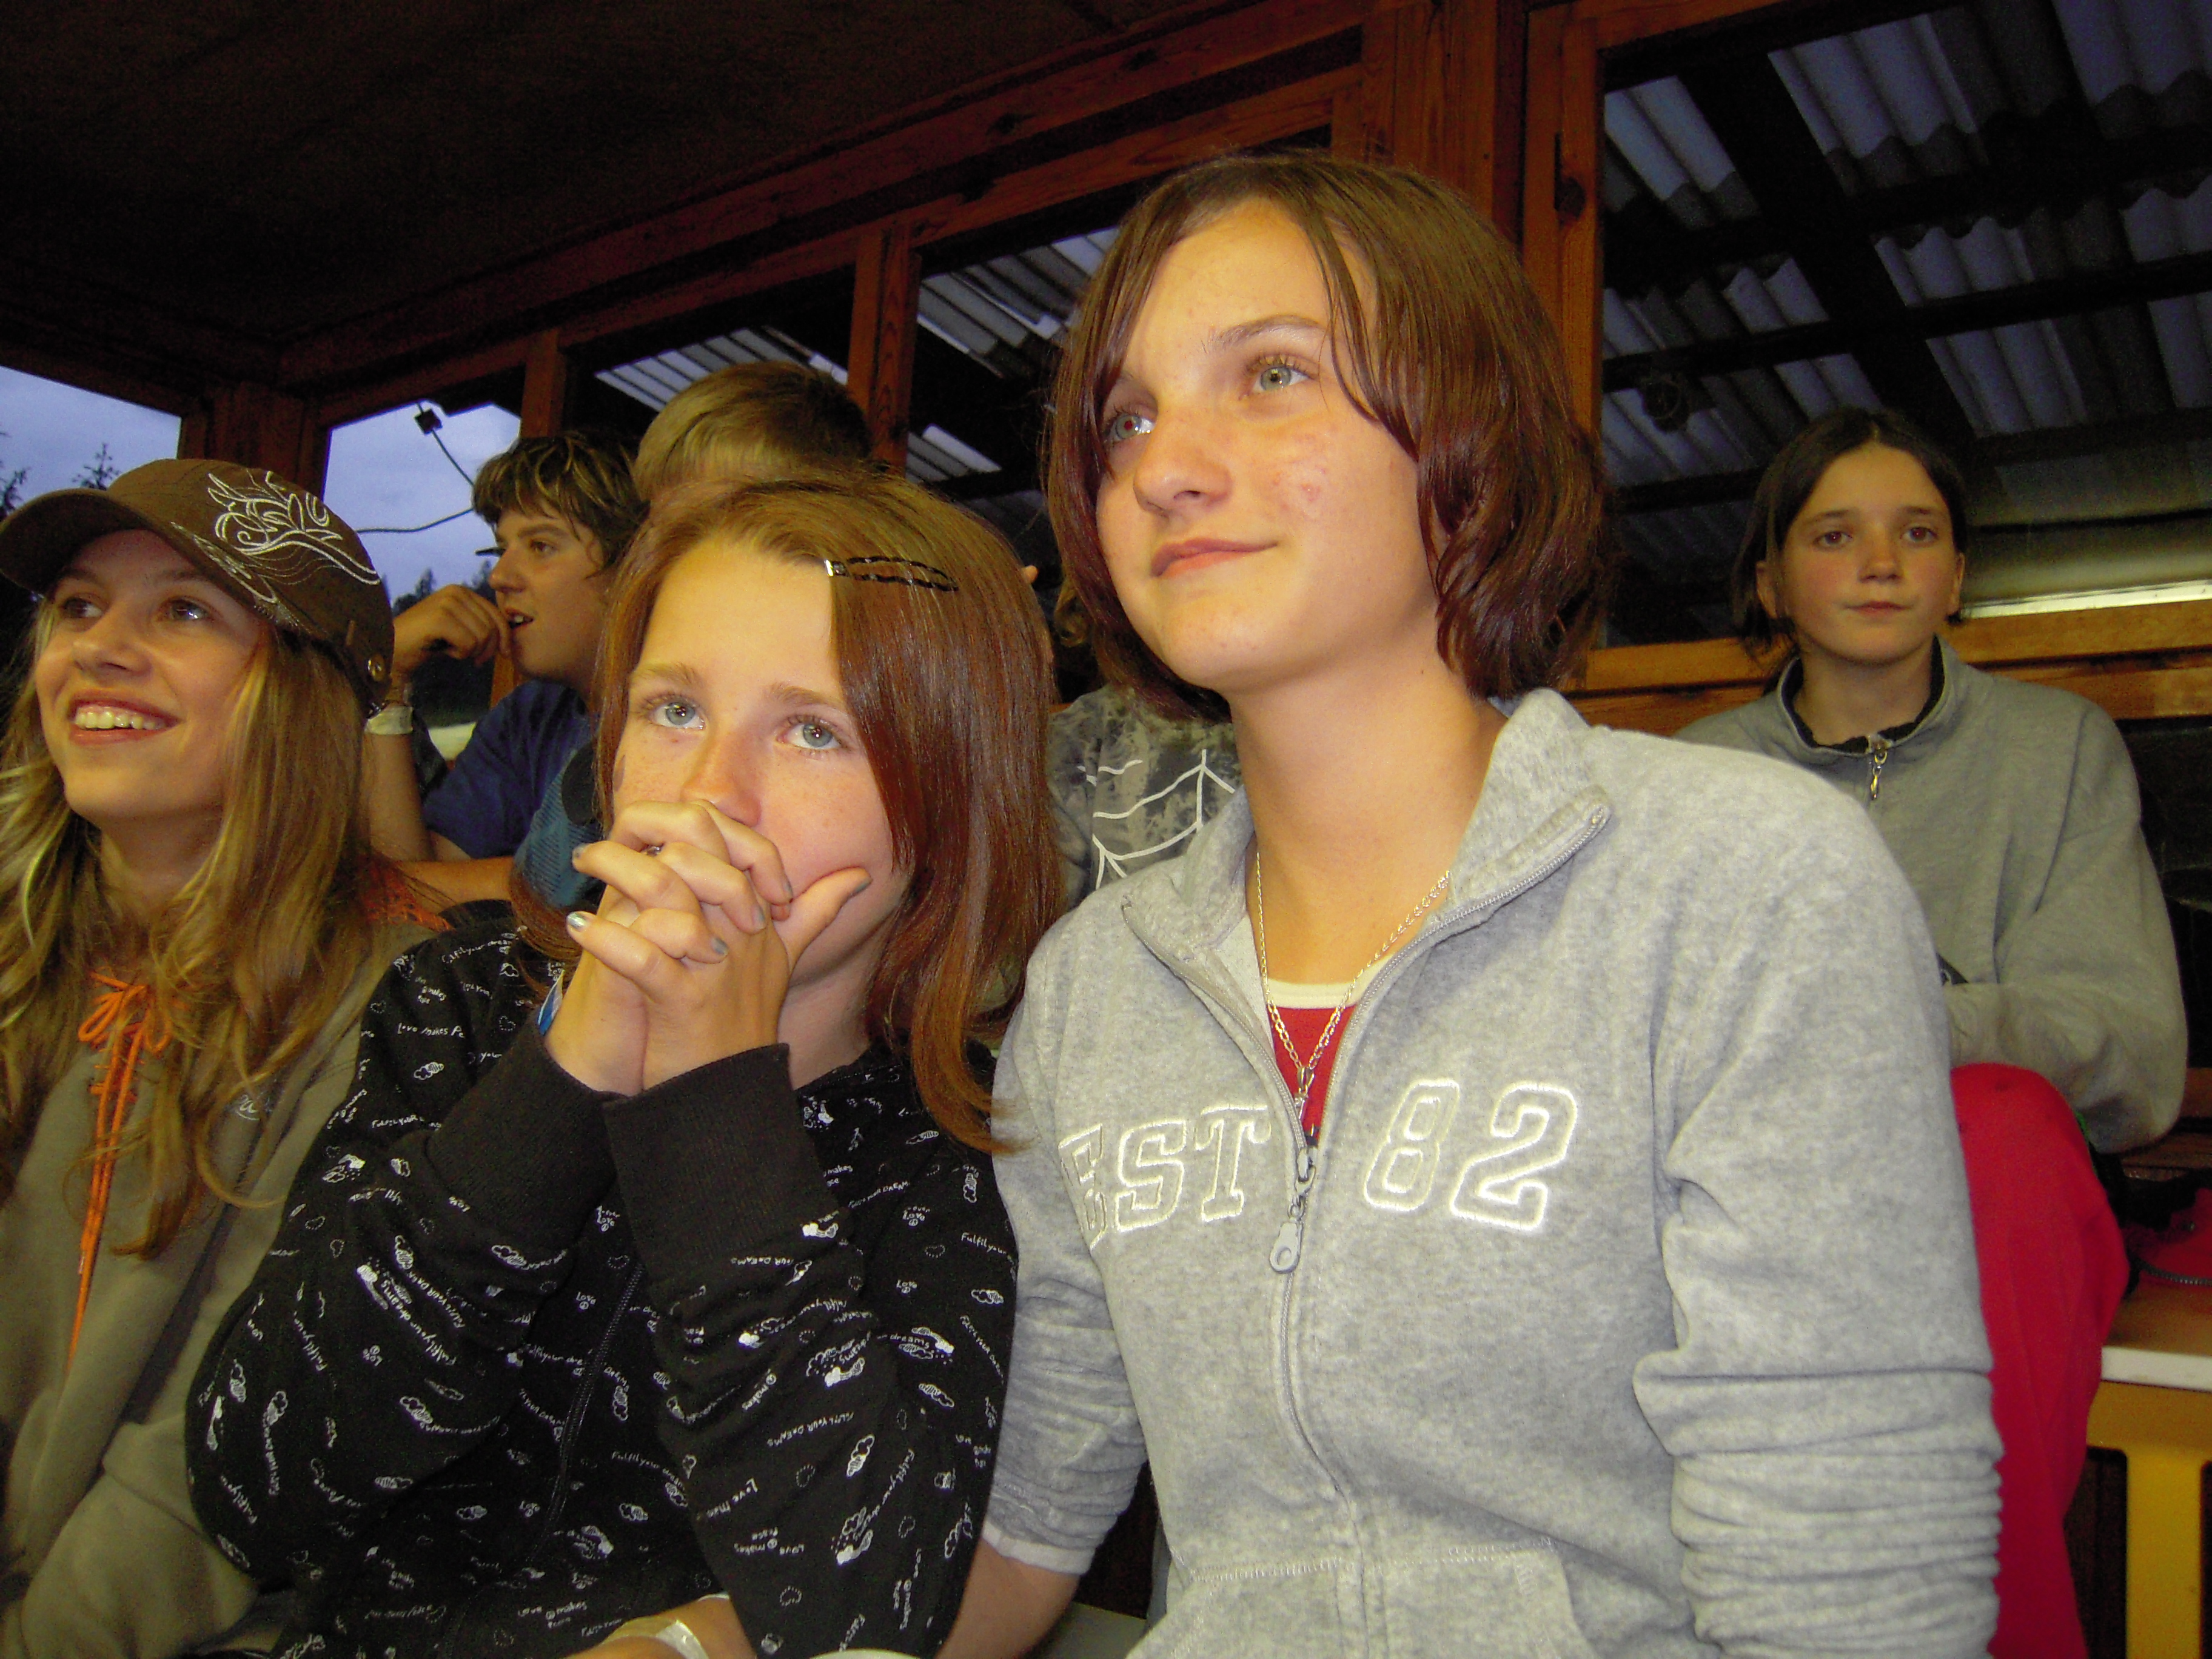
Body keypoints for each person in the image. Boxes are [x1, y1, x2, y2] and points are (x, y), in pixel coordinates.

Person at [943, 152, 2002, 1658]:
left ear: (1472, 440)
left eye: (1274, 374)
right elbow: (1030, 1514)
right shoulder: (1093, 988)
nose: (1165, 464)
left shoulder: (1745, 885)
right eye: (1126, 418)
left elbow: (1847, 1582)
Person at [188, 472, 1062, 1658]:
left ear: (953, 801)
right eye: (674, 710)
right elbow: (253, 1491)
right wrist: (564, 1071)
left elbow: (864, 1612)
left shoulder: (963, 1147)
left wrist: (718, 1110)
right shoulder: (456, 1013)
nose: (708, 796)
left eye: (815, 730)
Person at [1677, 406, 2186, 1659]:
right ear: (1770, 581)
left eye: (1916, 534)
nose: (1880, 563)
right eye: (1833, 536)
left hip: (1990, 1209)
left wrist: (1868, 1015)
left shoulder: (2057, 749)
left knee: (1996, 1117)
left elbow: (2131, 1055)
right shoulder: (1693, 776)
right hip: (1755, 1207)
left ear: (1958, 574)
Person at [0, 459, 439, 1657]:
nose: (99, 648)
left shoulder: (400, 1009)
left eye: (183, 611)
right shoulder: (22, 942)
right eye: (78, 607)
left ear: (302, 691)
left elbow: (232, 1451)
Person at [508, 364, 876, 914]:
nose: (674, 555)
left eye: (814, 733)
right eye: (662, 526)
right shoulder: (610, 757)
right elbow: (531, 907)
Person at [363, 429, 646, 907]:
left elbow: (580, 897)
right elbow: (413, 882)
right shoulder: (527, 717)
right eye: (500, 550)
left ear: (631, 566)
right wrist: (388, 682)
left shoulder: (669, 720)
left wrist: (511, 882)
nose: (499, 577)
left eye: (541, 546)